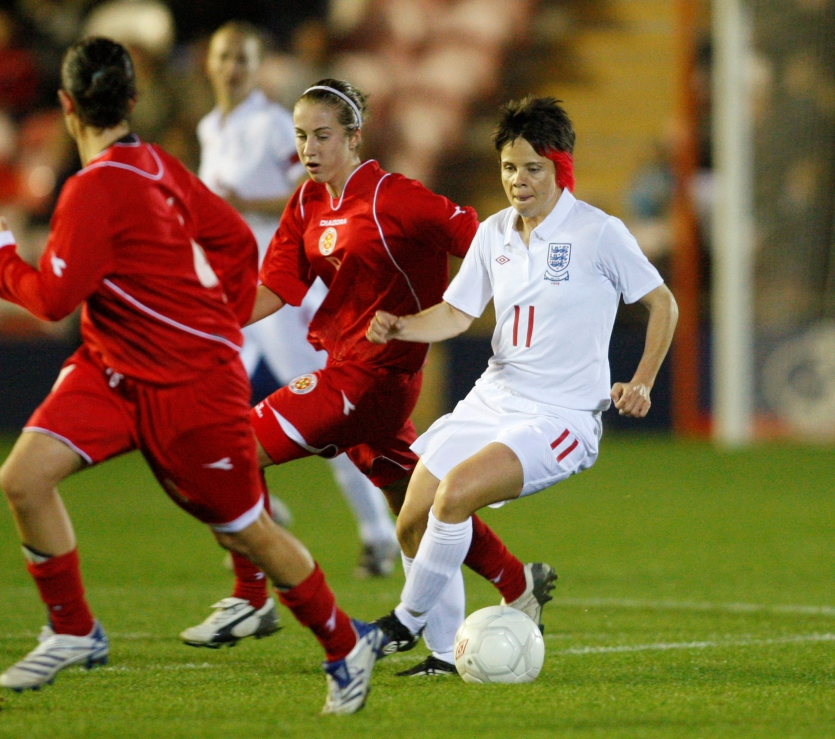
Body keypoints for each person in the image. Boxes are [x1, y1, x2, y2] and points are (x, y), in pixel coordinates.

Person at [0, 37, 386, 715]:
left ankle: (345, 645)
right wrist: (217, 306)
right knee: (24, 477)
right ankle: (75, 629)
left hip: (189, 384)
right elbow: (227, 233)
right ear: (133, 102)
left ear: (66, 106)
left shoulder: (93, 187)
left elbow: (51, 298)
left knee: (246, 529)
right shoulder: (157, 164)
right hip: (111, 367)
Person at [182, 78, 557, 676]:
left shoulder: (395, 198)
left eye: (323, 136)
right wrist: (205, 321)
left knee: (233, 451)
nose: (309, 148)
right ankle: (514, 586)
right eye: (301, 136)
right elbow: (279, 288)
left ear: (354, 138)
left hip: (374, 376)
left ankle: (252, 599)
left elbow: (483, 240)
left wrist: (533, 293)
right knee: (419, 504)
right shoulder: (306, 203)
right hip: (347, 370)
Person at [367, 97, 679, 674]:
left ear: (560, 168)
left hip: (558, 417)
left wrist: (642, 381)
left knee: (455, 493)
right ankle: (440, 652)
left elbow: (663, 303)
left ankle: (401, 623)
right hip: (493, 397)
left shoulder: (596, 232)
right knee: (411, 514)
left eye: (532, 168)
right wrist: (403, 326)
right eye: (509, 168)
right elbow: (458, 314)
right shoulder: (494, 233)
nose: (518, 180)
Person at [196, 21, 399, 581]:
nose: (232, 67)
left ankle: (379, 533)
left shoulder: (272, 126)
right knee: (204, 410)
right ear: (208, 63)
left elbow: (316, 186)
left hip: (280, 296)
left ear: (258, 66)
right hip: (237, 298)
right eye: (224, 56)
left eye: (243, 57)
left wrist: (245, 202)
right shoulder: (211, 127)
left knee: (326, 419)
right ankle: (259, 511)